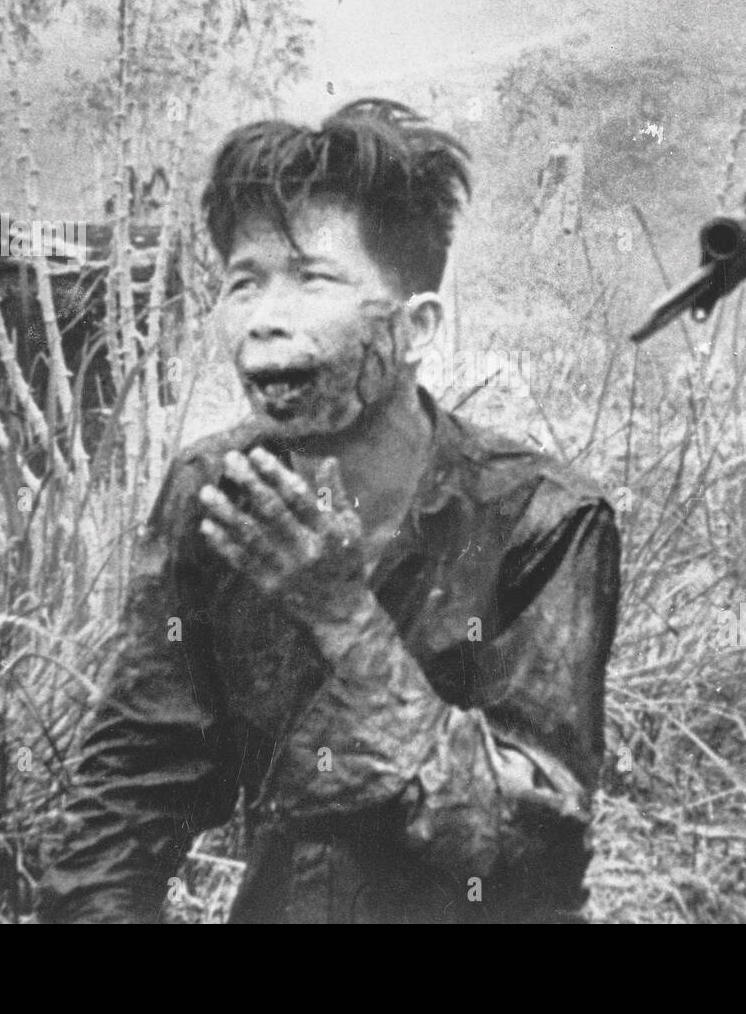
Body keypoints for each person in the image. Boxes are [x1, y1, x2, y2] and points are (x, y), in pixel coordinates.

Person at [37, 99, 620, 923]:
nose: (266, 318)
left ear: (416, 327)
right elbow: (131, 787)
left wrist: (343, 618)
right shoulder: (215, 491)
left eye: (313, 278)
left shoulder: (543, 520)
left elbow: (526, 851)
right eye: (245, 281)